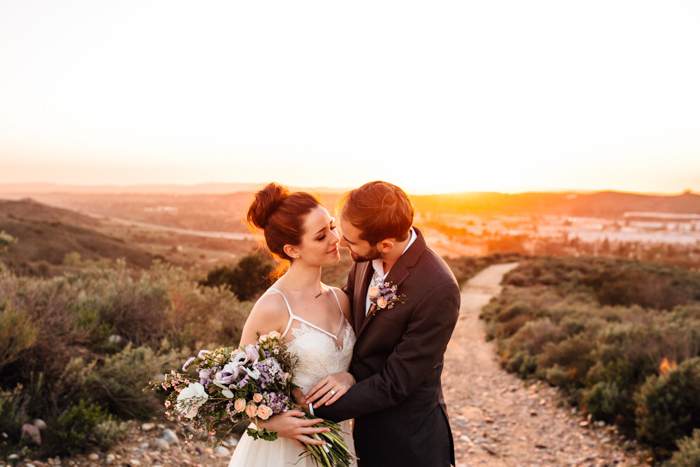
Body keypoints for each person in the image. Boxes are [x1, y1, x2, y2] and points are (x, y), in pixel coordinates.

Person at [304, 181, 461, 467]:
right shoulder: (366, 258)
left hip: (409, 444)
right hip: (364, 432)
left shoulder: (438, 288)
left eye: (350, 241)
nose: (341, 242)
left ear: (385, 244)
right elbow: (348, 318)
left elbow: (396, 382)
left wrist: (310, 408)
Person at [228, 182, 357, 467]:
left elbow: (359, 363)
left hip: (341, 440)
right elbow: (239, 382)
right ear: (293, 249)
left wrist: (350, 378)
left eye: (332, 227)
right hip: (287, 451)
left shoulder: (341, 299)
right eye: (321, 236)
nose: (336, 238)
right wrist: (272, 424)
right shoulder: (272, 306)